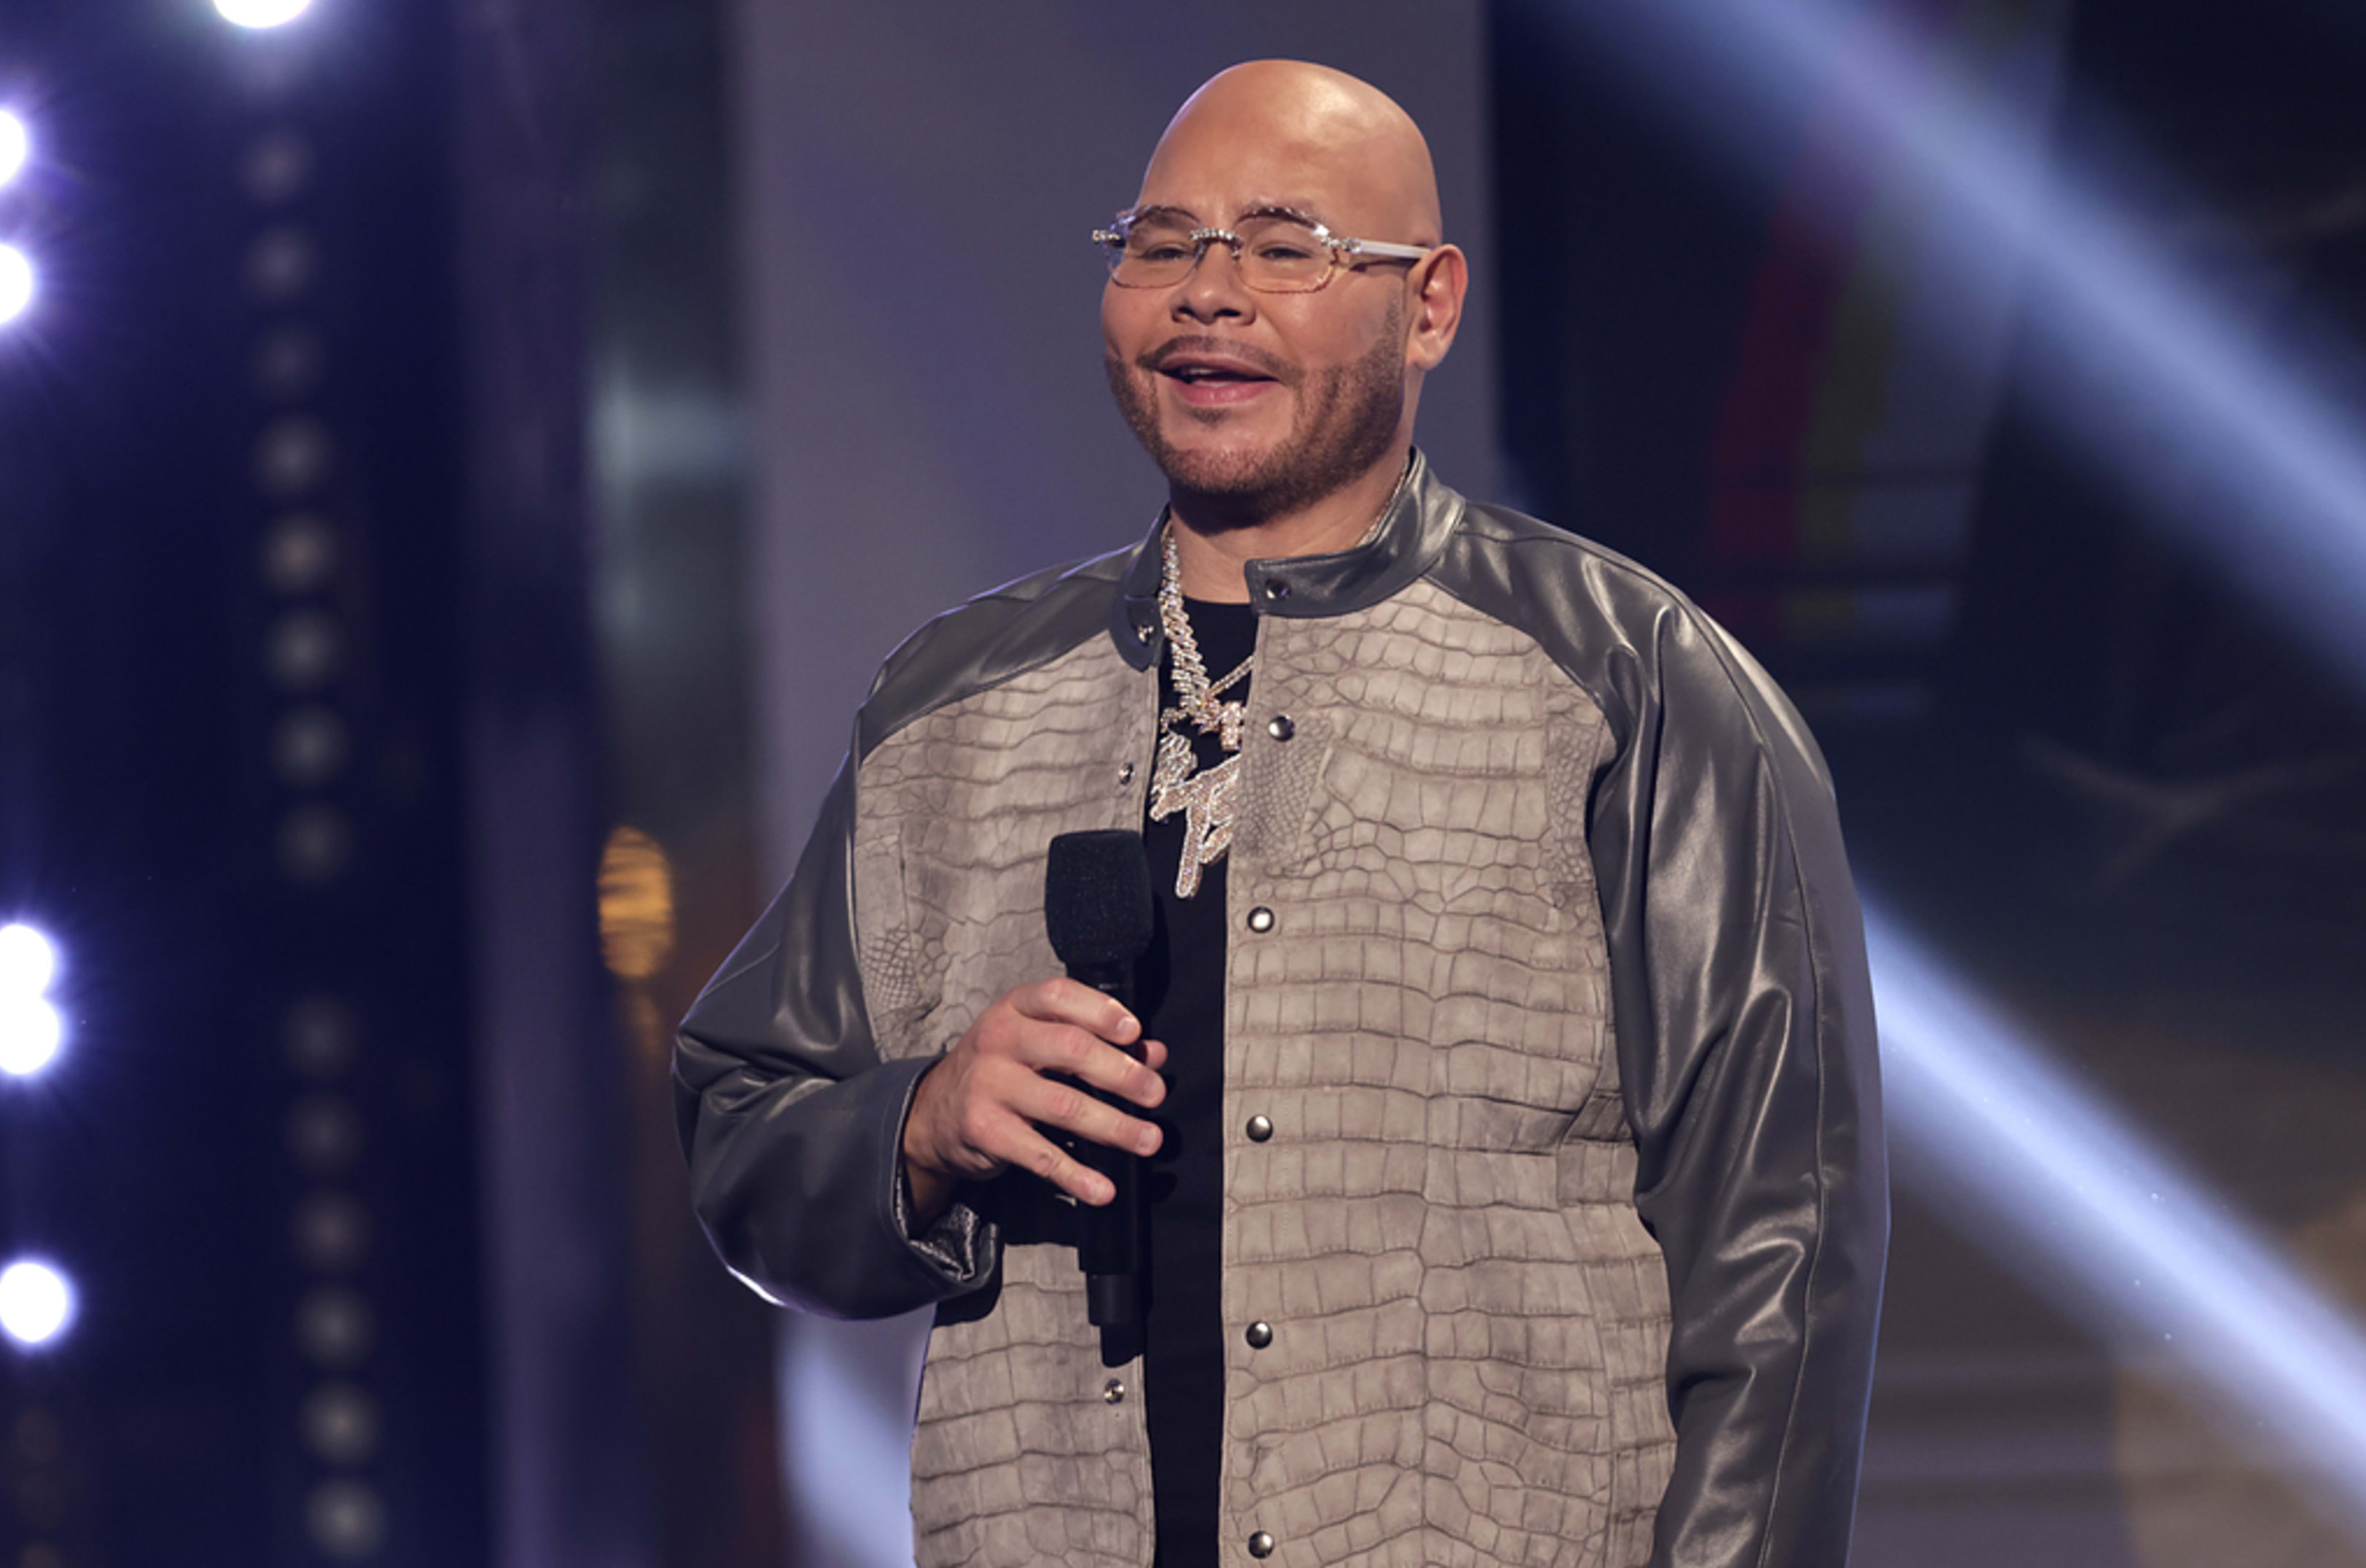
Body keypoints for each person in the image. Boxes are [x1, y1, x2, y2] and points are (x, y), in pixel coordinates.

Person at [674, 60, 1887, 1568]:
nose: (1208, 294)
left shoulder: (1631, 683)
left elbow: (1784, 1252)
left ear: (1429, 304)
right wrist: (919, 1125)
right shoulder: (953, 707)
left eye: (1286, 246)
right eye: (1164, 243)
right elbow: (743, 1135)